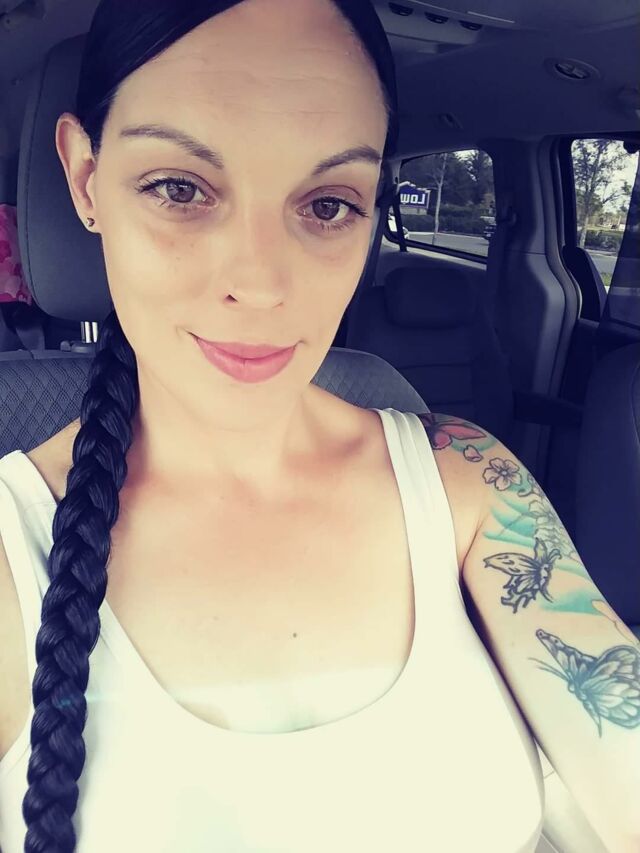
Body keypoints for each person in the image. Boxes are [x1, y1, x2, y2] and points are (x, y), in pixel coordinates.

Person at [0, 0, 638, 851]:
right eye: (179, 189)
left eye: (329, 204)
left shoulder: (469, 482)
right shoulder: (11, 556)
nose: (262, 284)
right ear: (86, 180)